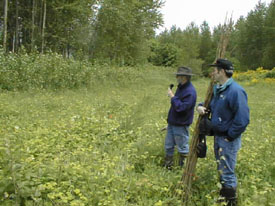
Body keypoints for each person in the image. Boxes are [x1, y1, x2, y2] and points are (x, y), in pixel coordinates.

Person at [197, 59, 250, 206]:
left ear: (222, 72)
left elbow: (243, 119)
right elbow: (210, 105)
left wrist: (229, 136)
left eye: (214, 70)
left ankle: (231, 202)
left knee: (227, 172)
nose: (212, 73)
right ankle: (224, 198)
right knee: (222, 169)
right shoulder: (219, 89)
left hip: (227, 140)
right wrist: (200, 107)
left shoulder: (235, 91)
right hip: (218, 137)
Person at [164, 66, 197, 169]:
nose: (176, 77)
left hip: (181, 124)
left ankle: (183, 169)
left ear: (184, 77)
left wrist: (172, 97)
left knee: (182, 148)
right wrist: (169, 123)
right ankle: (168, 167)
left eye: (178, 75)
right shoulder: (181, 87)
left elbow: (181, 108)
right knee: (168, 146)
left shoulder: (190, 92)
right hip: (173, 123)